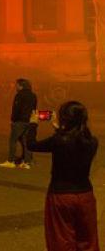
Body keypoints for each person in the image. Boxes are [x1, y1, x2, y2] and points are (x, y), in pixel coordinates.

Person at [26, 101, 98, 250]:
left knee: (62, 240)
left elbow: (31, 144)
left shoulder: (58, 141)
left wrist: (33, 124)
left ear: (64, 119)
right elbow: (74, 140)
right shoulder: (92, 142)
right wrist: (59, 129)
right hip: (85, 194)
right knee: (87, 239)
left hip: (61, 195)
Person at [0, 78, 38, 169]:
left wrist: (13, 119)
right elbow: (34, 108)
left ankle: (11, 161)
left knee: (13, 140)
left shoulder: (19, 95)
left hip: (19, 121)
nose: (15, 86)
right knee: (26, 142)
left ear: (21, 85)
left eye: (16, 85)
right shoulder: (33, 95)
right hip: (29, 121)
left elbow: (16, 109)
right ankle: (27, 162)